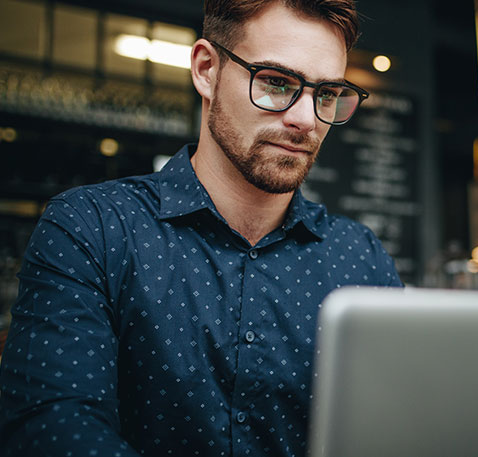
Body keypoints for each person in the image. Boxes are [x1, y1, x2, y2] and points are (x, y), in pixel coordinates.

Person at [0, 1, 402, 455]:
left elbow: (397, 426)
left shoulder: (360, 258)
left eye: (326, 94)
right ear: (207, 70)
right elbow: (52, 429)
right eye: (275, 83)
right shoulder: (92, 228)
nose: (305, 120)